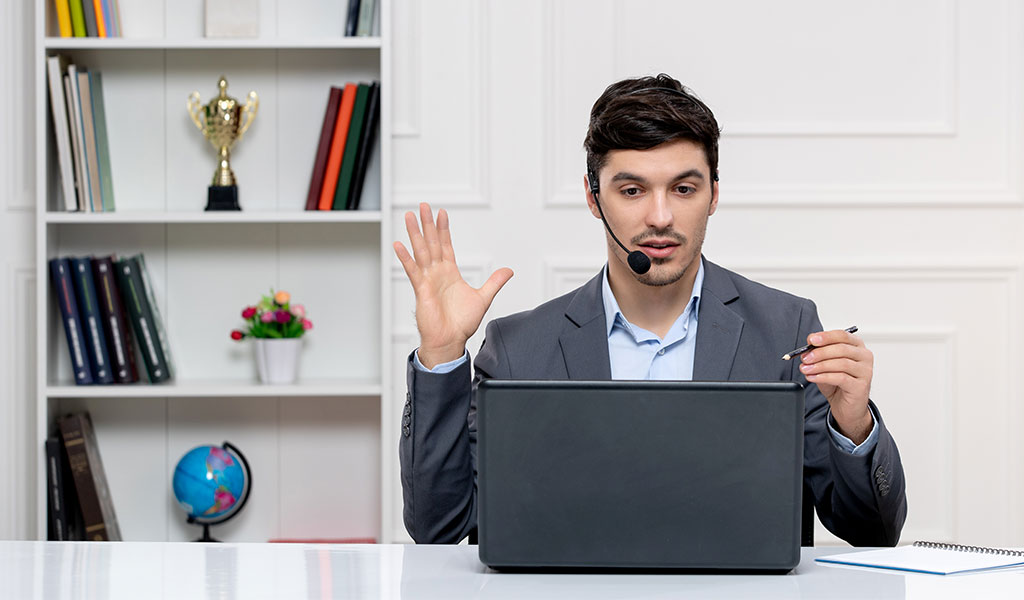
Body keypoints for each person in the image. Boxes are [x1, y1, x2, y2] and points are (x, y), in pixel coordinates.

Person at [393, 74, 907, 547]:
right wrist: (441, 354)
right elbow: (438, 528)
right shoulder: (518, 348)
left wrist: (854, 422)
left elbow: (871, 531)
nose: (660, 218)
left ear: (713, 195)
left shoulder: (785, 329)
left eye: (684, 189)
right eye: (632, 190)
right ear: (594, 198)